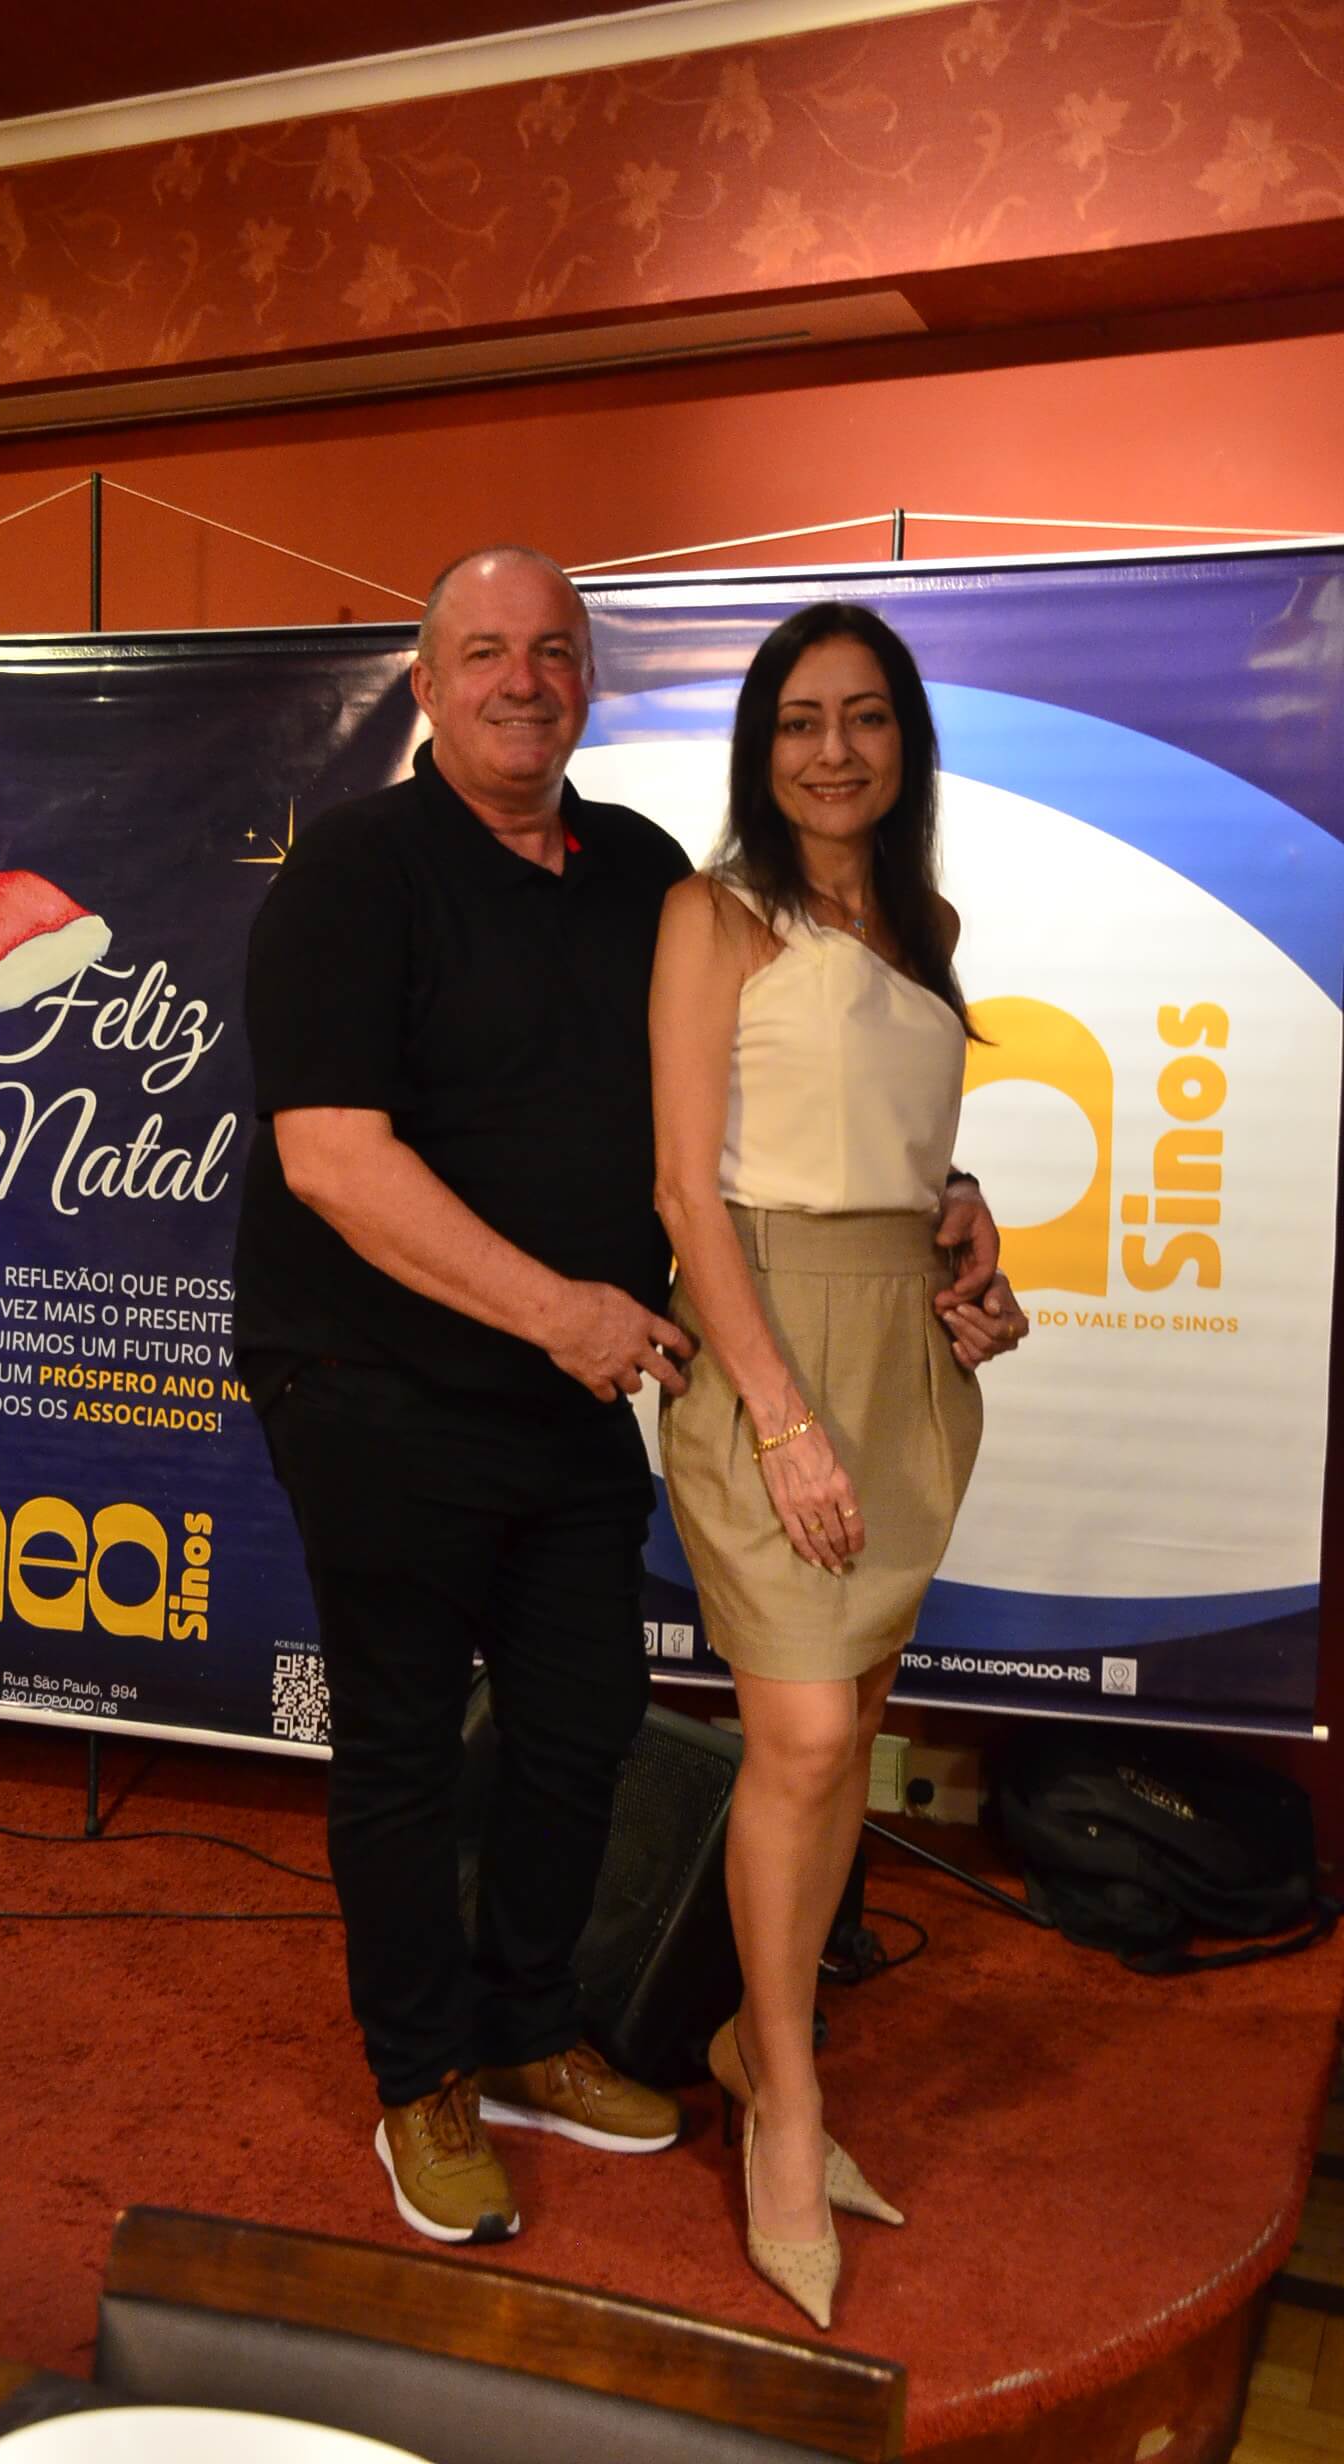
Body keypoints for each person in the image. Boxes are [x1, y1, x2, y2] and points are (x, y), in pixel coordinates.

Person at [233, 547, 698, 2247]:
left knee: (584, 1722)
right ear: (426, 686)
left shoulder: (645, 870)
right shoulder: (356, 871)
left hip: (565, 1392)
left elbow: (748, 1088)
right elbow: (332, 1159)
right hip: (374, 1383)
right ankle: (420, 2075)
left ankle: (525, 2029)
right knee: (406, 1745)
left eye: (554, 650)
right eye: (486, 650)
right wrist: (562, 1312)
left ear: (587, 683)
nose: (524, 678)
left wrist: (938, 1185)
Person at [649, 600, 1028, 2329]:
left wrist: (967, 1220)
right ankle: (786, 2107)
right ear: (762, 744)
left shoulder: (926, 925)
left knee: (851, 1729)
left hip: (903, 1346)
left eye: (865, 717)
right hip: (768, 1340)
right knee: (799, 1737)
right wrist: (781, 1419)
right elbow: (687, 1187)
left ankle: (760, 2035)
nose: (833, 750)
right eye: (800, 720)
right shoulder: (713, 916)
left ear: (905, 742)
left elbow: (895, 1141)